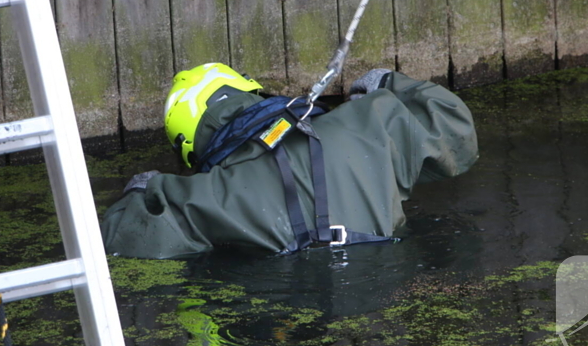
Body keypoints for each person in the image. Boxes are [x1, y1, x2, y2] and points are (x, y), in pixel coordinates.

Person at [100, 63, 478, 259]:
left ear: (191, 147)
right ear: (250, 92)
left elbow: (117, 239)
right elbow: (455, 128)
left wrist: (144, 189)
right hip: (386, 289)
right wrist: (384, 84)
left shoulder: (202, 197)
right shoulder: (369, 123)